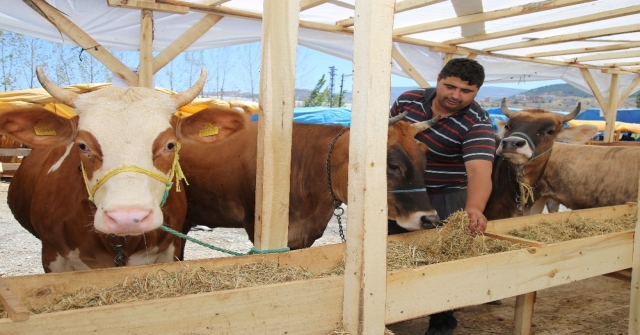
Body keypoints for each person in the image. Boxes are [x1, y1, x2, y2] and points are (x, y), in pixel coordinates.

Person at [388, 58, 495, 335]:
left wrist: (474, 207)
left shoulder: (478, 122)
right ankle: (388, 308)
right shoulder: (408, 100)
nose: (455, 95)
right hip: (398, 195)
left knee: (443, 260)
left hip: (444, 196)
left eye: (466, 91)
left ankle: (442, 323)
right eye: (450, 86)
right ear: (438, 78)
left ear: (477, 92)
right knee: (388, 251)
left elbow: (479, 172)